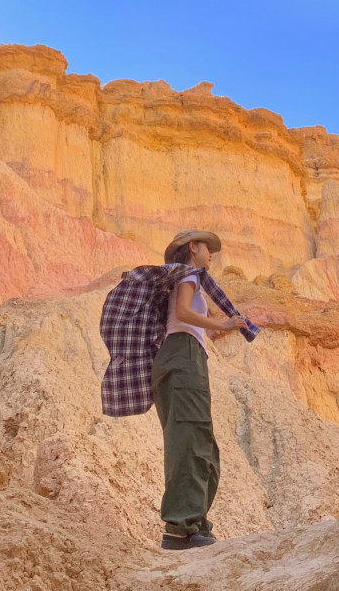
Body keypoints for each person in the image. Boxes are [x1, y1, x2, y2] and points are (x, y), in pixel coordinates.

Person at [99, 229, 259, 549]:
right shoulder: (189, 276)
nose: (211, 254)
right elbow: (184, 313)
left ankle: (191, 521)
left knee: (194, 441)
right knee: (189, 440)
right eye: (207, 248)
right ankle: (181, 527)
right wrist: (224, 324)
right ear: (193, 248)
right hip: (183, 356)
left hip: (180, 358)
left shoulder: (184, 278)